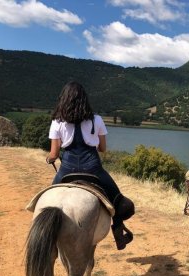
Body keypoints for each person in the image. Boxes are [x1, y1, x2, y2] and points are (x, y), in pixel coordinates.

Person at [46, 81, 134, 250]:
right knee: (118, 200)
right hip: (93, 169)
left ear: (63, 99)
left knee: (50, 203)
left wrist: (49, 158)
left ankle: (49, 237)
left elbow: (54, 154)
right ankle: (118, 232)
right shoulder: (97, 120)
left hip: (67, 170)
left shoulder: (57, 122)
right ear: (84, 100)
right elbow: (102, 148)